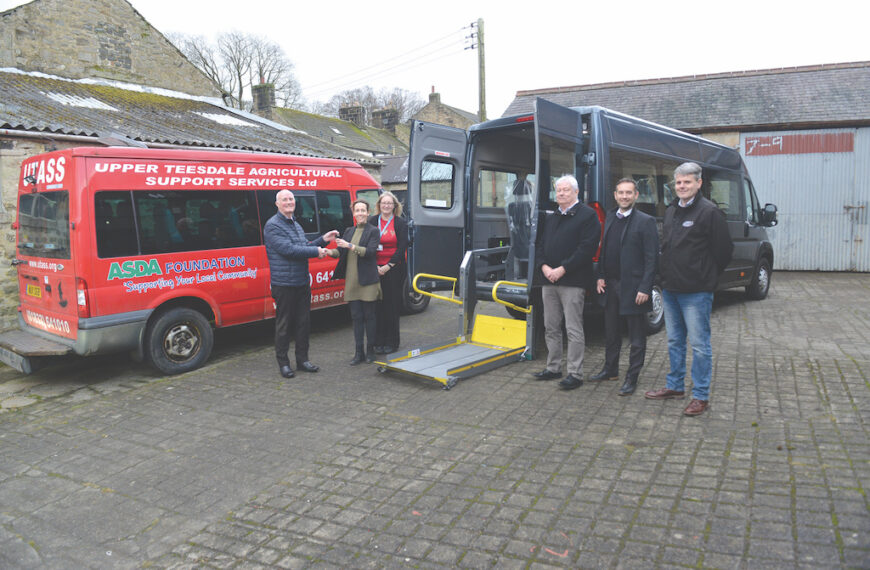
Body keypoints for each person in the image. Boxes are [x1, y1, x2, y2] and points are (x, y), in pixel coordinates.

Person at [644, 162, 733, 416]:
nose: (682, 186)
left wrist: (706, 277)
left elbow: (724, 251)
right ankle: (675, 386)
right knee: (674, 341)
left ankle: (701, 395)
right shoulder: (672, 210)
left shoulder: (710, 212)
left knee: (699, 345)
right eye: (679, 182)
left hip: (696, 292)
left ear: (699, 183)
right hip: (671, 289)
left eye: (687, 182)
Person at [531, 174, 601, 390]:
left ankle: (575, 374)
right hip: (548, 280)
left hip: (572, 281)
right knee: (550, 326)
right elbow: (540, 245)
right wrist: (544, 267)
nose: (561, 193)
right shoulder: (552, 217)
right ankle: (553, 368)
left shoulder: (588, 216)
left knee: (573, 328)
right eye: (558, 190)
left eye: (566, 190)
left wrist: (562, 269)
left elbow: (587, 248)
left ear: (576, 192)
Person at [592, 178, 659, 396]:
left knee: (636, 336)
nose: (624, 196)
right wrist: (600, 275)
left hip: (634, 288)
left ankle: (632, 377)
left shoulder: (646, 221)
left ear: (636, 195)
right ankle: (610, 370)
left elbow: (652, 258)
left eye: (629, 193)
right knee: (611, 332)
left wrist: (645, 288)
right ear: (615, 195)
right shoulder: (611, 216)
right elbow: (604, 249)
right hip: (610, 285)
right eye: (620, 192)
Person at [264, 189, 338, 378]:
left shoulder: (295, 224)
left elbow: (304, 246)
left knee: (303, 323)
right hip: (284, 284)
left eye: (291, 199)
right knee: (284, 325)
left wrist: (323, 240)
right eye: (285, 199)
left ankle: (302, 360)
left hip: (301, 282)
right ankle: (283, 364)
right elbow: (288, 250)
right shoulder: (273, 225)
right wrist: (316, 252)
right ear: (277, 204)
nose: (289, 202)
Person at [334, 199, 381, 365]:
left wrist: (350, 246)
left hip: (368, 281)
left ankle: (371, 351)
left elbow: (370, 252)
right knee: (356, 318)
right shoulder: (349, 230)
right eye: (357, 210)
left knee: (370, 317)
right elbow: (339, 251)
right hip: (352, 281)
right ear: (353, 213)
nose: (360, 213)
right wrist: (325, 251)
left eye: (363, 210)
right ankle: (358, 352)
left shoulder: (374, 231)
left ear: (368, 213)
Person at [368, 191, 408, 355]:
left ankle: (392, 342)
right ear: (379, 205)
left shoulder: (400, 223)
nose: (386, 206)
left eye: (389, 203)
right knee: (377, 307)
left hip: (394, 269)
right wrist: (375, 266)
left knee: (391, 306)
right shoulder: (372, 221)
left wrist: (388, 266)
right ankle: (378, 341)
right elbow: (367, 244)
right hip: (374, 268)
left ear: (394, 206)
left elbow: (402, 247)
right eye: (383, 203)